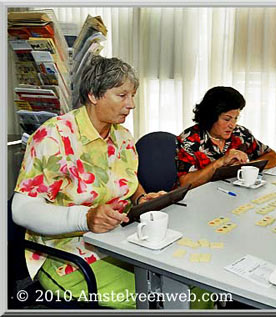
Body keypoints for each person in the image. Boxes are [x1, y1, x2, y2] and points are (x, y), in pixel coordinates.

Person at [12, 56, 165, 309]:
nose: (132, 105)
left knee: (194, 287)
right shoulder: (54, 136)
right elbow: (21, 210)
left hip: (121, 243)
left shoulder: (123, 136)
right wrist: (85, 218)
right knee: (155, 298)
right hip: (69, 258)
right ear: (94, 95)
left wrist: (141, 199)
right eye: (122, 95)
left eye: (133, 96)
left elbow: (129, 180)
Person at [176, 86, 276, 188]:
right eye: (227, 119)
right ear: (210, 116)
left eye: (235, 118)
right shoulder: (189, 139)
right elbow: (185, 183)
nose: (232, 125)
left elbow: (272, 156)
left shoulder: (240, 133)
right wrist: (220, 162)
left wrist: (245, 167)